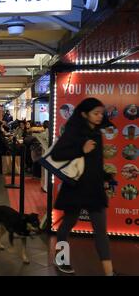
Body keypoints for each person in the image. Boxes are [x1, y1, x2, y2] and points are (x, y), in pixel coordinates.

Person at [51, 98, 115, 275]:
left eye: (101, 113)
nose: (99, 117)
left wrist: (106, 176)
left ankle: (109, 272)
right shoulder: (74, 131)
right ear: (84, 114)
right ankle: (61, 259)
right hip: (76, 187)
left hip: (94, 188)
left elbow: (95, 162)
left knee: (101, 230)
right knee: (67, 225)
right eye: (95, 113)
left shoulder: (97, 133)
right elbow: (57, 154)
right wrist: (81, 149)